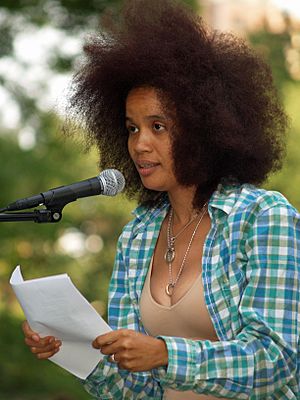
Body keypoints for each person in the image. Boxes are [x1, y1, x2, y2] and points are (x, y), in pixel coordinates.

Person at [22, 0, 300, 398]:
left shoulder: (263, 217)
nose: (140, 144)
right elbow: (135, 388)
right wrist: (71, 350)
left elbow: (277, 360)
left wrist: (166, 353)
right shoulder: (139, 235)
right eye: (132, 128)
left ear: (206, 128)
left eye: (158, 126)